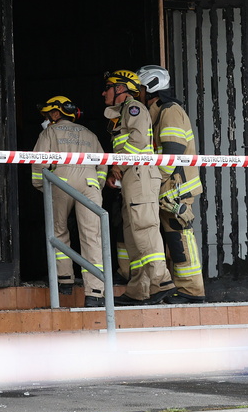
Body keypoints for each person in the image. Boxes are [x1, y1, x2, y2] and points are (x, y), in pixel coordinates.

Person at [103, 70, 176, 305]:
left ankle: (160, 280)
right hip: (132, 176)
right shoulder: (123, 112)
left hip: (139, 174)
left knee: (145, 227)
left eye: (109, 87)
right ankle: (140, 290)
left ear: (121, 89)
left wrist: (117, 165)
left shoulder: (134, 108)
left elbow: (138, 143)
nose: (104, 92)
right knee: (133, 232)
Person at [136, 65, 206, 303]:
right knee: (171, 241)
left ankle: (192, 291)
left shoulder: (170, 110)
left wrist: (157, 179)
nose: (139, 94)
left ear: (152, 87)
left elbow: (173, 151)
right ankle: (180, 288)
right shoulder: (156, 111)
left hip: (176, 189)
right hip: (167, 188)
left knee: (180, 239)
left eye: (141, 89)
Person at [31, 96, 108, 307]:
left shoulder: (49, 132)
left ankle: (64, 280)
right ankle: (95, 292)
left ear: (56, 113)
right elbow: (103, 165)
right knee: (92, 236)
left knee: (59, 231)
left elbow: (39, 163)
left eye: (48, 115)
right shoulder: (90, 134)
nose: (47, 119)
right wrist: (96, 185)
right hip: (90, 183)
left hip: (61, 182)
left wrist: (44, 187)